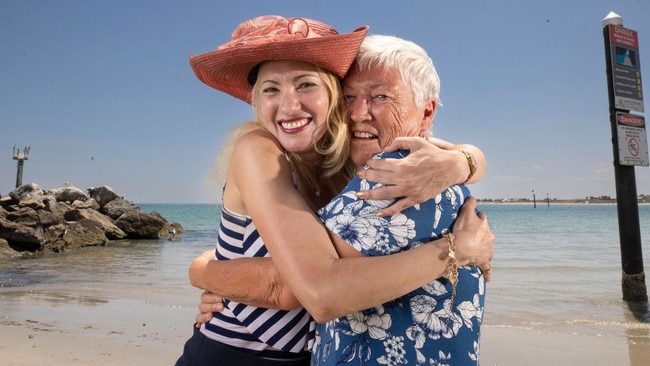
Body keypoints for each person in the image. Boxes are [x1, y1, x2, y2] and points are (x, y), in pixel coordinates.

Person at [178, 15, 493, 366]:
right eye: (270, 89)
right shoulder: (260, 149)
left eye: (305, 84)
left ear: (330, 92)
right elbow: (296, 286)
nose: (289, 105)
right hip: (230, 356)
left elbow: (444, 151)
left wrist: (465, 162)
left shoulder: (354, 160)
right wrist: (455, 250)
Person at [311, 34, 484, 365]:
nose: (358, 113)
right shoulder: (438, 169)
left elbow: (296, 283)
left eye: (380, 96)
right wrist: (469, 159)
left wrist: (211, 271)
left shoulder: (396, 178)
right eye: (348, 97)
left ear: (426, 111)